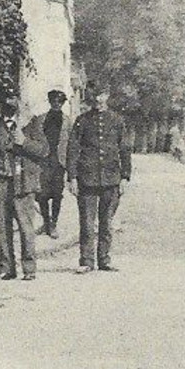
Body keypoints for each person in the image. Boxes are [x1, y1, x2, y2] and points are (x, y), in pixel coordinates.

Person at [0, 93, 47, 280]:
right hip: (2, 181)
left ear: (18, 106)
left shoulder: (31, 125)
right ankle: (7, 268)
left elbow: (44, 150)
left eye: (12, 105)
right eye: (4, 105)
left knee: (25, 226)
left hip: (23, 183)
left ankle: (29, 268)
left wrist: (24, 142)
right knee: (3, 226)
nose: (8, 109)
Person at [66, 87, 130, 273]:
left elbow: (124, 149)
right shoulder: (82, 121)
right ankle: (86, 261)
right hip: (87, 179)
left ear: (107, 96)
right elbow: (73, 150)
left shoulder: (117, 120)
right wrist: (72, 177)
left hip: (111, 178)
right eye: (95, 96)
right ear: (91, 98)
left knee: (107, 222)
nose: (98, 99)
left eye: (102, 95)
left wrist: (125, 176)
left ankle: (104, 260)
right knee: (86, 222)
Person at [34, 89, 70, 236]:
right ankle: (46, 222)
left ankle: (53, 224)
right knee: (42, 195)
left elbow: (72, 143)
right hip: (43, 161)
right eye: (54, 101)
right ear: (49, 102)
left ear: (62, 103)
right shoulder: (40, 119)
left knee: (57, 194)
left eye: (60, 102)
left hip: (59, 162)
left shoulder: (68, 121)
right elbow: (32, 138)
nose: (57, 104)